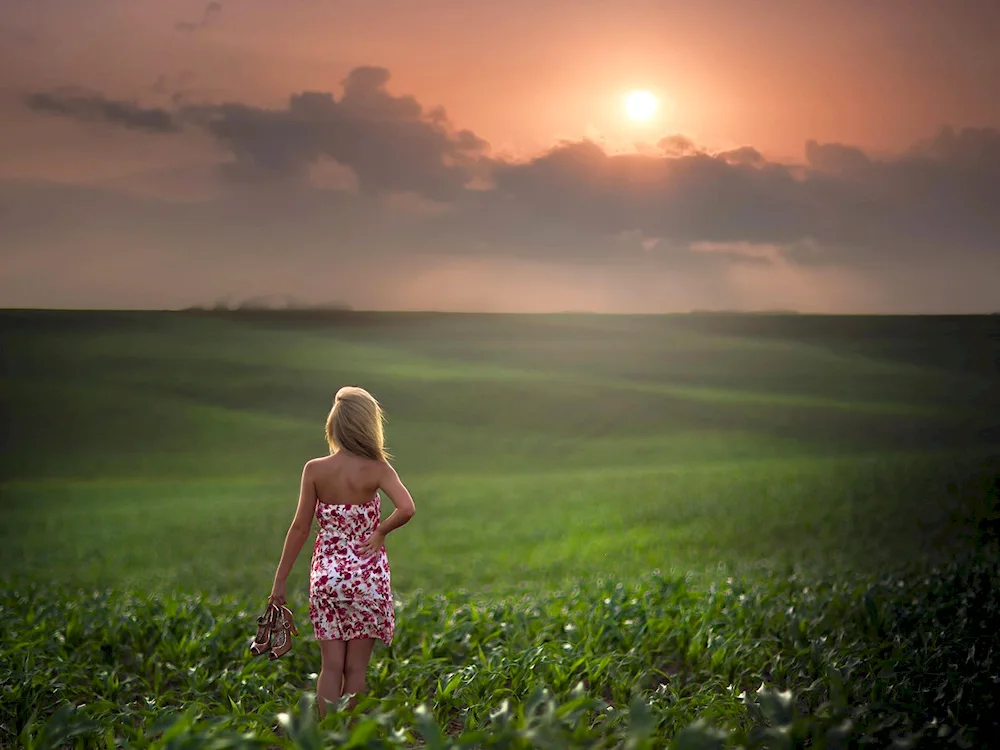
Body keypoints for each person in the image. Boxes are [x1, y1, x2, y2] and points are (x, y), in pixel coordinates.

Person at [267, 386, 416, 716]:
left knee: (330, 667)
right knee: (356, 671)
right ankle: (351, 736)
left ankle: (326, 734)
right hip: (366, 576)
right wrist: (379, 532)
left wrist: (279, 582)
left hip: (327, 577)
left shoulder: (315, 469)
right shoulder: (378, 469)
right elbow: (406, 508)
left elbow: (300, 528)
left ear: (334, 426)